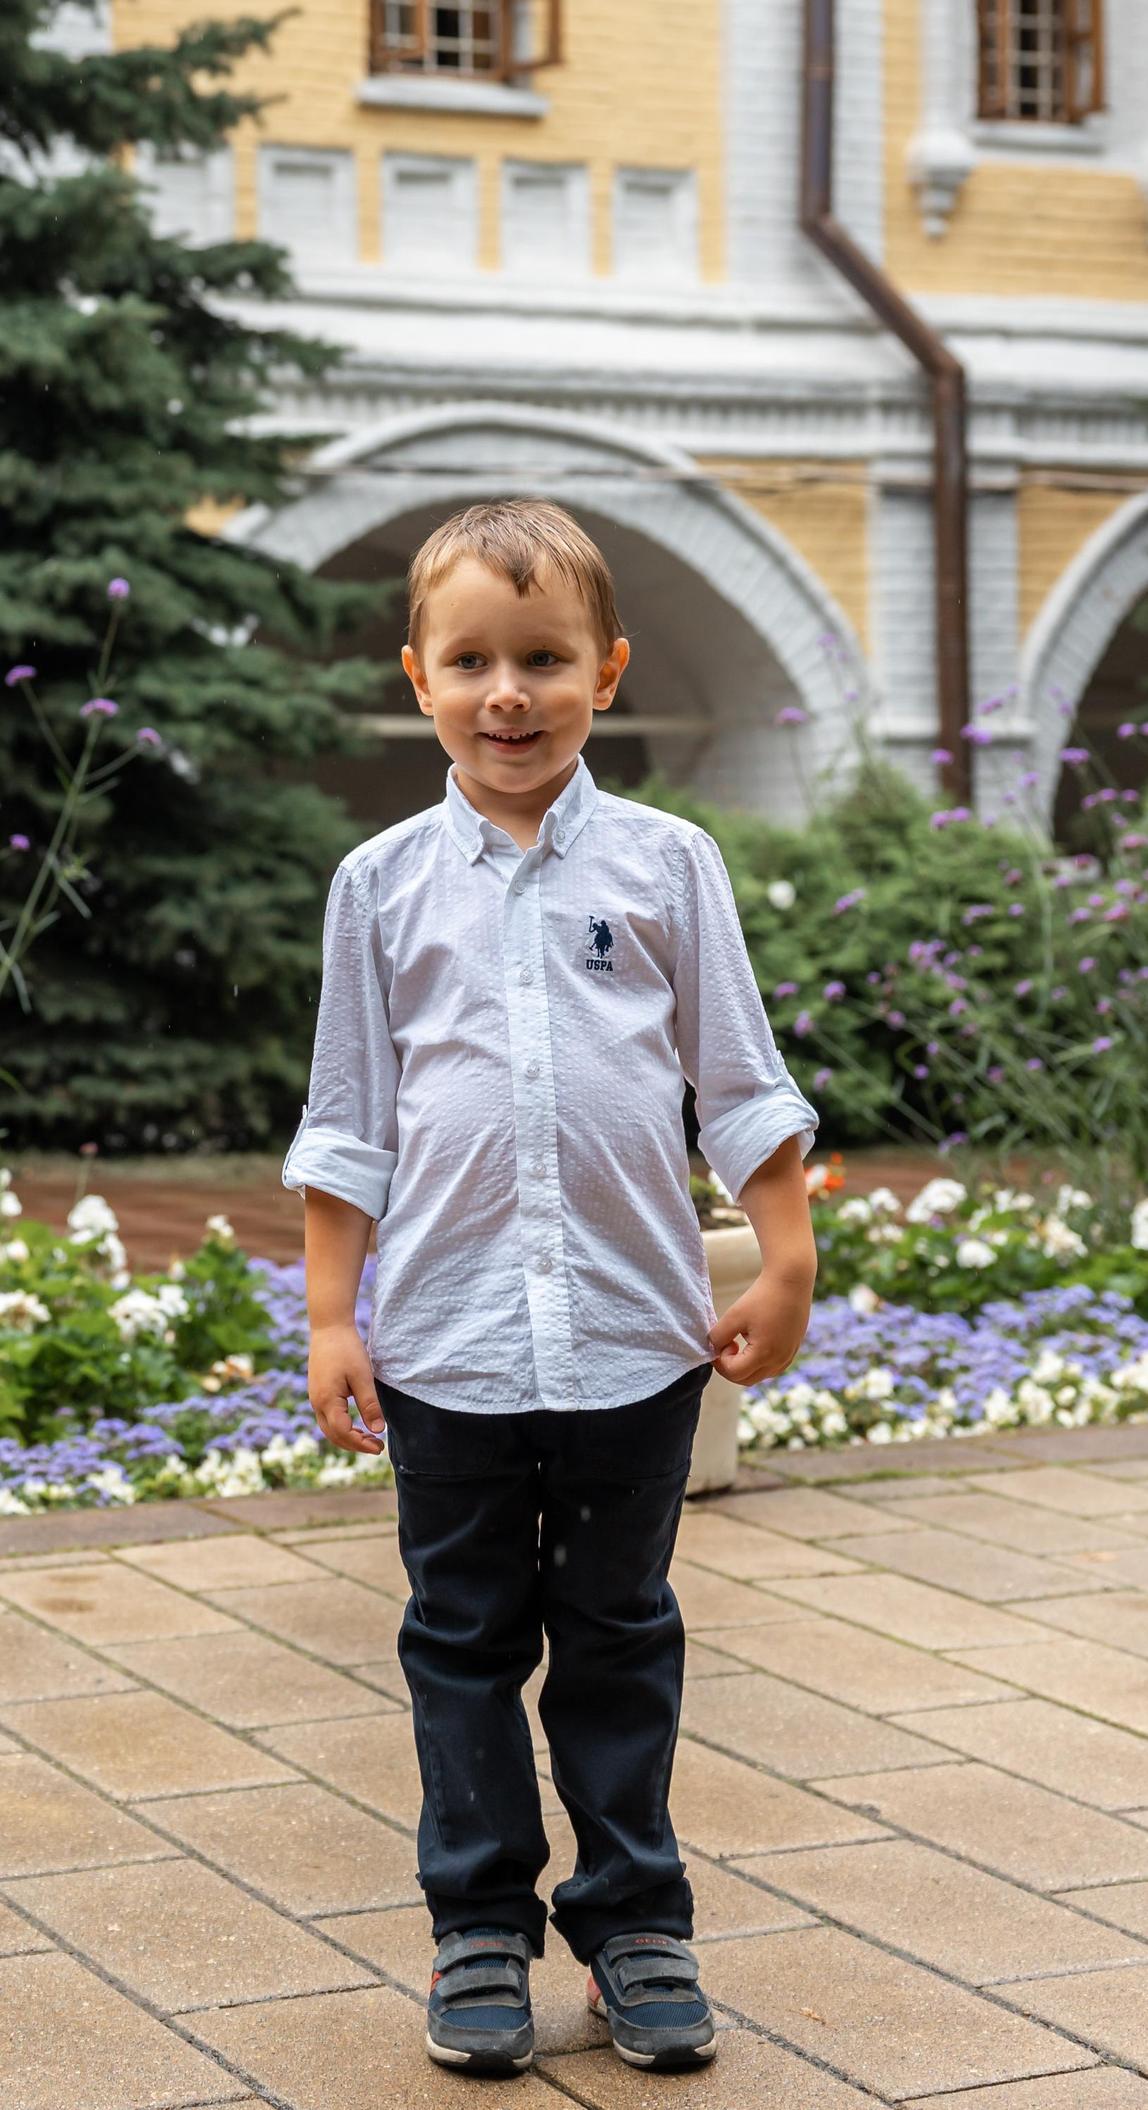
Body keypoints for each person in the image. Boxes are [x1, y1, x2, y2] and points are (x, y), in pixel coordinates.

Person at [287, 498, 816, 2077]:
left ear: (608, 671)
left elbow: (740, 1084)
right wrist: (333, 1316)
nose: (506, 693)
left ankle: (637, 1925)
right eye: (470, 662)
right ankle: (476, 1934)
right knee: (459, 1644)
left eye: (543, 659)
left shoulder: (668, 865)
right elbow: (348, 1118)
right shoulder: (379, 885)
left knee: (616, 1640)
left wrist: (787, 1255)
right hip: (445, 1347)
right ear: (418, 678)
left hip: (634, 1343)